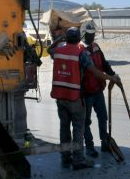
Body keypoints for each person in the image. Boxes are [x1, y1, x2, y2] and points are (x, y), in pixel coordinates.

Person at [49, 27, 120, 170]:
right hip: (75, 97)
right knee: (78, 129)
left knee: (64, 128)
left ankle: (65, 158)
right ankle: (79, 160)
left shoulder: (58, 51)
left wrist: (59, 39)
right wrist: (111, 77)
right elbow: (95, 72)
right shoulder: (80, 53)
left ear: (67, 38)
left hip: (60, 97)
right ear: (79, 38)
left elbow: (48, 49)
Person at [80, 22, 119, 157]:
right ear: (83, 34)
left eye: (93, 34)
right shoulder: (80, 50)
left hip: (98, 90)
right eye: (90, 34)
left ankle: (104, 142)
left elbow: (104, 63)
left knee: (103, 117)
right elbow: (93, 71)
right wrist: (110, 77)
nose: (92, 37)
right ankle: (90, 147)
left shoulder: (96, 47)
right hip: (86, 93)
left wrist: (113, 74)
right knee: (86, 121)